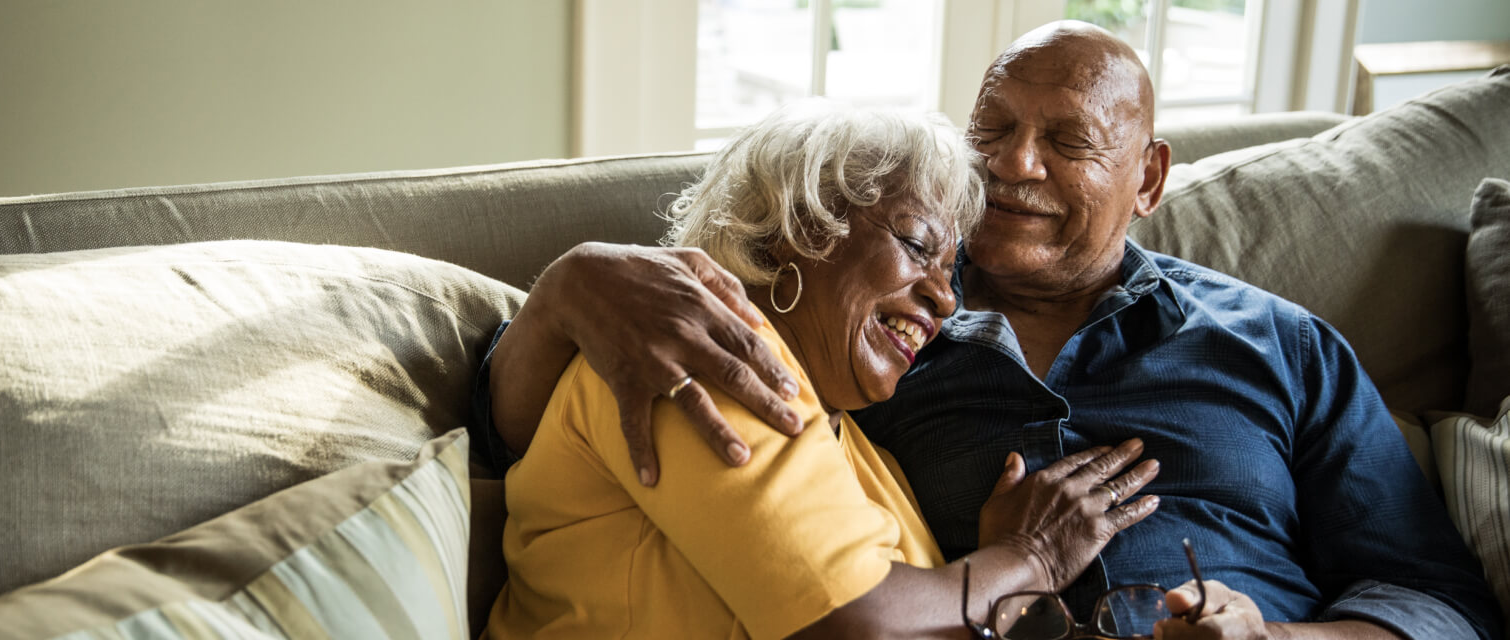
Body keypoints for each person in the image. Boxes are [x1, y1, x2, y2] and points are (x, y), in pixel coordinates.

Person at [476, 21, 1503, 640]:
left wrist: (1269, 635)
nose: (1014, 166)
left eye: (1068, 140)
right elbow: (518, 425)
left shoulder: (1281, 345)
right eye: (994, 131)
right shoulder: (853, 338)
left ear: (1148, 177)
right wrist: (567, 289)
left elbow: (1440, 600)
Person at [482, 101, 1166, 639]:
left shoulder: (871, 460)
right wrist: (1029, 558)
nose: (946, 297)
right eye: (916, 245)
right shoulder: (694, 351)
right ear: (799, 228)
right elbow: (858, 623)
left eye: (950, 272)